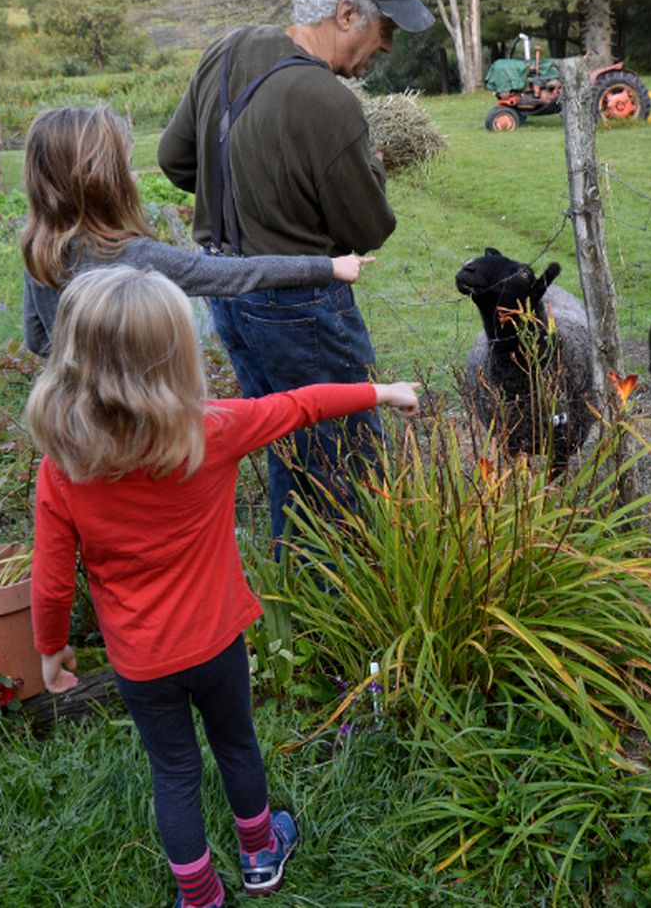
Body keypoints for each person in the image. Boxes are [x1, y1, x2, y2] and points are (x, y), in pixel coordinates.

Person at [27, 266, 419, 907]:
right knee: (237, 741)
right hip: (215, 643)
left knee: (174, 769)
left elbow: (49, 582)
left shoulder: (64, 465)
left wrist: (51, 648)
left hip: (140, 660)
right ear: (175, 357)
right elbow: (300, 405)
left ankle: (200, 895)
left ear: (74, 358)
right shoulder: (211, 430)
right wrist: (383, 392)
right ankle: (261, 854)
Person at [156, 0, 434, 541]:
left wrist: (248, 192)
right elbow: (367, 229)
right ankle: (340, 607)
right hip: (300, 306)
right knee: (344, 467)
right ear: (347, 12)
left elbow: (176, 161)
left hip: (227, 293)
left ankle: (295, 606)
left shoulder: (227, 50)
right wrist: (374, 168)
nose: (385, 48)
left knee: (289, 446)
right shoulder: (329, 102)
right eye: (385, 28)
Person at [19, 105, 371, 356]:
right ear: (100, 181)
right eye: (126, 168)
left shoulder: (40, 252)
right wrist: (327, 266)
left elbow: (38, 340)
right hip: (139, 421)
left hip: (74, 425)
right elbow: (236, 274)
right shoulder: (130, 256)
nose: (134, 177)